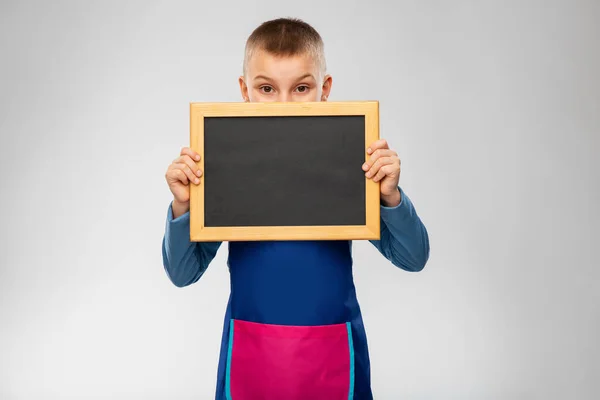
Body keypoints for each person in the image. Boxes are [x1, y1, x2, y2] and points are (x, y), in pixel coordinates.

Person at [162, 17, 430, 400]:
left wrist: (390, 196)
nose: (284, 104)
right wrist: (182, 205)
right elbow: (182, 272)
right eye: (267, 88)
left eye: (301, 88)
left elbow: (413, 257)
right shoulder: (222, 165)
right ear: (245, 90)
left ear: (325, 90)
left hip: (333, 350)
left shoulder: (351, 160)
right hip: (251, 354)